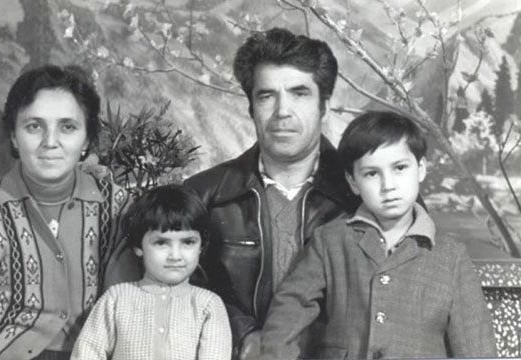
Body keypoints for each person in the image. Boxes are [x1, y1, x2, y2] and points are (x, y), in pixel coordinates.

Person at [0, 64, 132, 360]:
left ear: (86, 140)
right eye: (34, 126)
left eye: (67, 127)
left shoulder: (117, 207)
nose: (50, 142)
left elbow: (129, 311)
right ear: (13, 136)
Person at [260, 111, 497, 359]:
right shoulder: (329, 241)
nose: (388, 185)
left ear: (421, 169)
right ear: (353, 182)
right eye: (372, 173)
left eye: (400, 168)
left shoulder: (451, 257)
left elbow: (477, 347)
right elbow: (289, 310)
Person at [183, 27, 358, 357]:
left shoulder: (364, 198)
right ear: (250, 107)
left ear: (325, 105)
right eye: (266, 96)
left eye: (299, 93)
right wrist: (244, 334)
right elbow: (177, 287)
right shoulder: (202, 198)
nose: (282, 111)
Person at [71, 185, 232, 360]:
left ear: (201, 246)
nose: (175, 256)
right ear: (138, 246)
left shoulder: (208, 305)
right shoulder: (116, 299)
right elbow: (87, 352)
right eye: (161, 243)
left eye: (188, 242)